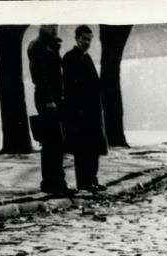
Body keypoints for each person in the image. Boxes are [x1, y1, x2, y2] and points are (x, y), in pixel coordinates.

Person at [62, 26, 108, 193]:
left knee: (94, 147)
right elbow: (69, 87)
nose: (87, 43)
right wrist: (77, 110)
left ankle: (92, 180)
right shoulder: (69, 58)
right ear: (76, 39)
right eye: (84, 39)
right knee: (82, 149)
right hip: (79, 112)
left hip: (92, 111)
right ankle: (84, 182)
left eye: (89, 40)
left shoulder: (86, 58)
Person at [27, 24, 71, 195]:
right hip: (48, 99)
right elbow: (40, 75)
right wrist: (49, 99)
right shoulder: (38, 46)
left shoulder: (50, 45)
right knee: (53, 141)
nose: (55, 29)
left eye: (56, 26)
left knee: (55, 142)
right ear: (42, 26)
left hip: (55, 98)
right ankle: (53, 183)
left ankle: (55, 182)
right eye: (51, 26)